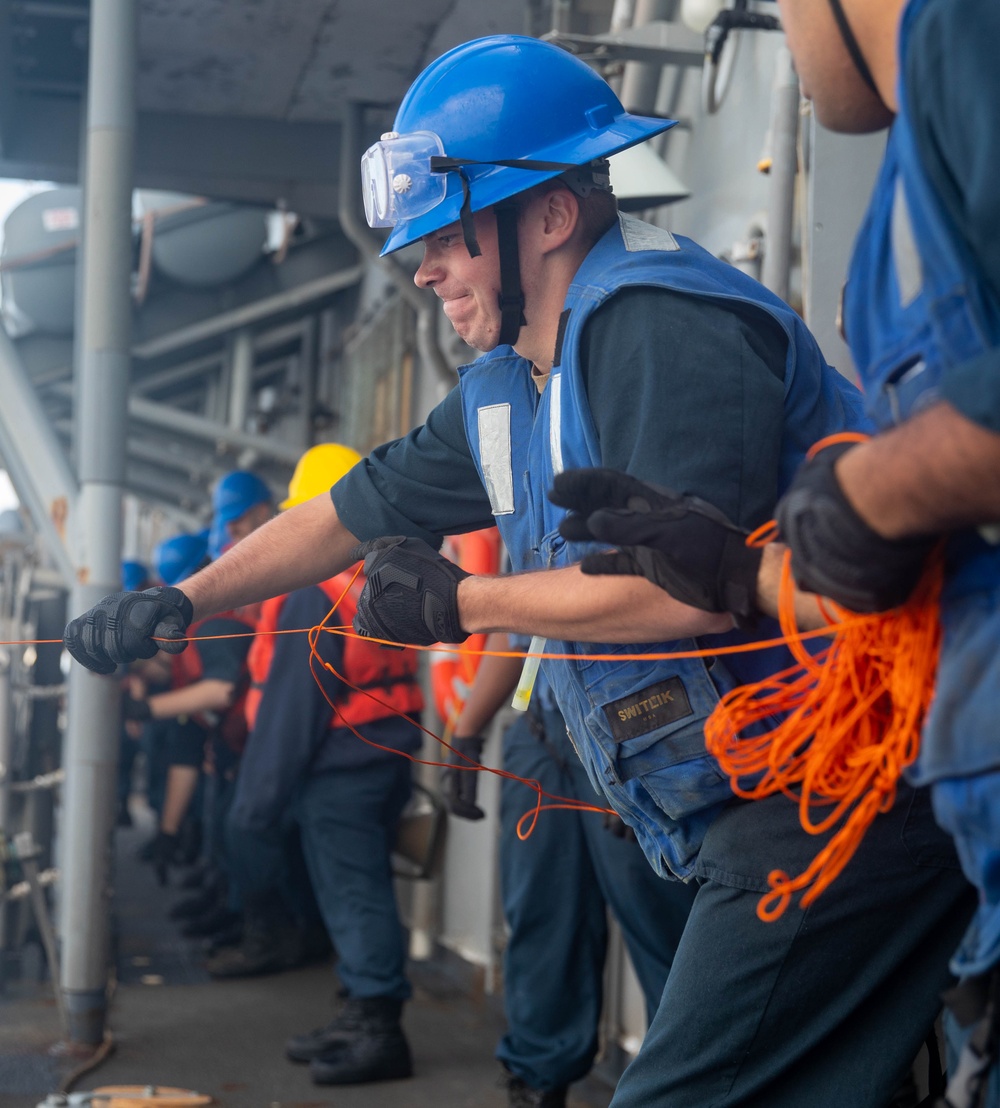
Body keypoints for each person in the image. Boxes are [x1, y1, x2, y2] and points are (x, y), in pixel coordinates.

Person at [64, 35, 973, 1106]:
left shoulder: (655, 323)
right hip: (713, 798)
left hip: (837, 791)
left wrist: (462, 603)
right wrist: (183, 599)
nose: (423, 266)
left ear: (545, 215)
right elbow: (345, 512)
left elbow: (683, 589)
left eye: (445, 236)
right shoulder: (505, 386)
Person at [549, 2, 1000, 1105]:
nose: (787, 39)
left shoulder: (966, 39)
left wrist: (866, 490)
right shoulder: (916, 149)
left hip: (837, 793)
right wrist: (745, 570)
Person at [221, 443, 423, 1086]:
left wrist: (255, 807)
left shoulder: (313, 595)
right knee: (358, 890)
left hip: (340, 768)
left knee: (354, 893)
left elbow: (291, 712)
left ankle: (377, 1028)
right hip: (379, 757)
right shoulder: (377, 572)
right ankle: (359, 1007)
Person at [449, 633, 695, 1108]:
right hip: (543, 736)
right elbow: (515, 617)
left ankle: (687, 1090)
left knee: (664, 932)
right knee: (541, 915)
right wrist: (467, 728)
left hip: (635, 731)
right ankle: (540, 1077)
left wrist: (639, 760)